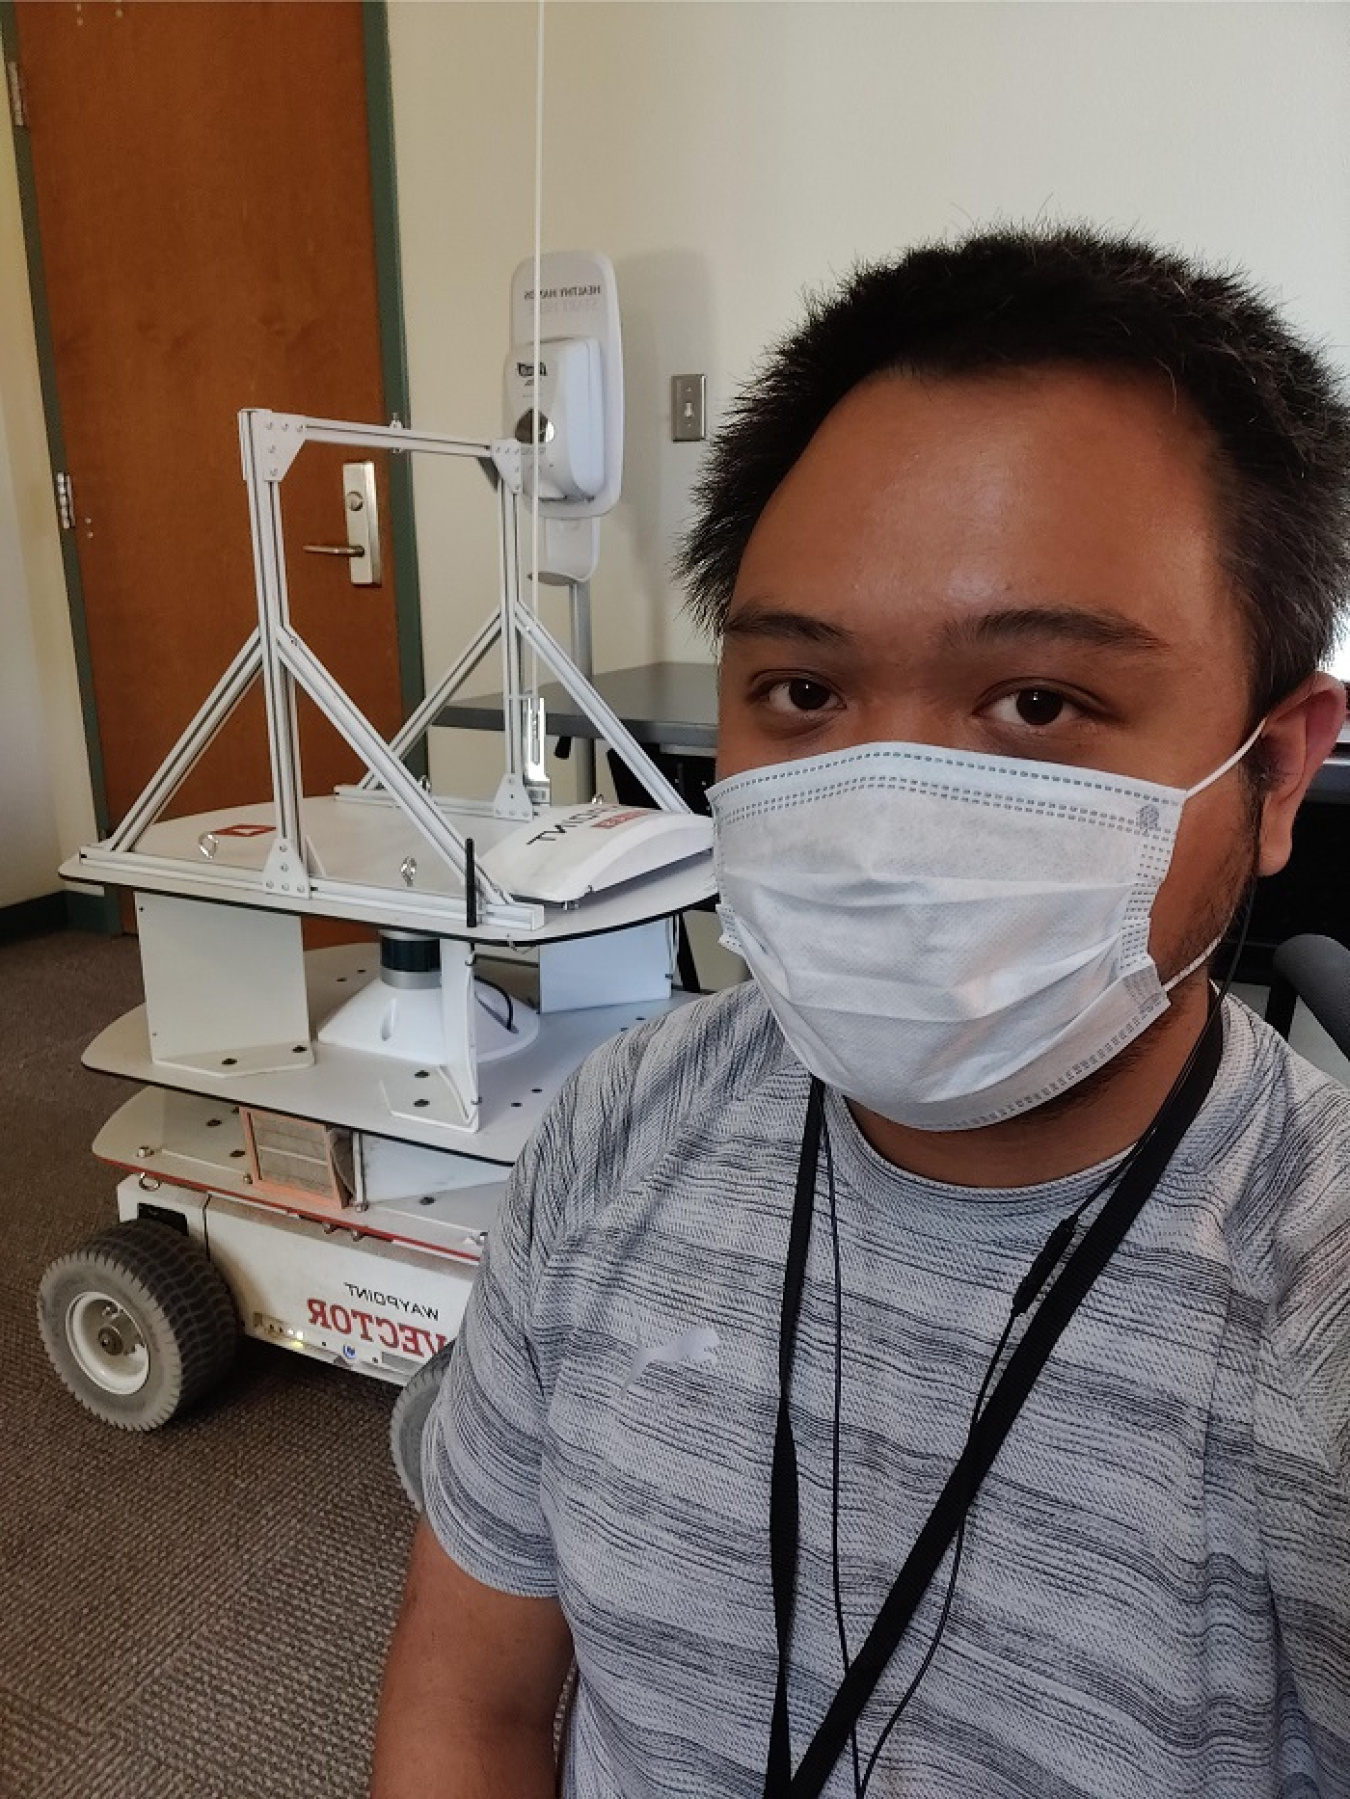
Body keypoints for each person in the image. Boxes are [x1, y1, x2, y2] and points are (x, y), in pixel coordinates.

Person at [371, 226, 1350, 1799]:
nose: (884, 819)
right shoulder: (625, 1122)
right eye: (805, 695)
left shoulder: (1316, 1318)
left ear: (1277, 767)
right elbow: (469, 1704)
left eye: (1037, 703)